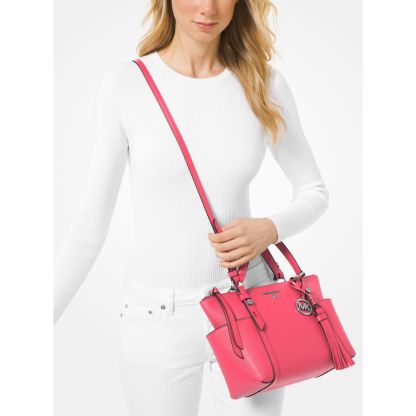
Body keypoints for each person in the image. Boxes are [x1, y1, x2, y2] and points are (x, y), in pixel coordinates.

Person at [54, 0, 329, 414]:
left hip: (250, 307)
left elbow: (314, 190)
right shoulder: (126, 85)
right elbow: (90, 226)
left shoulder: (263, 82)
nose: (208, 8)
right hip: (155, 318)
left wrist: (270, 228)